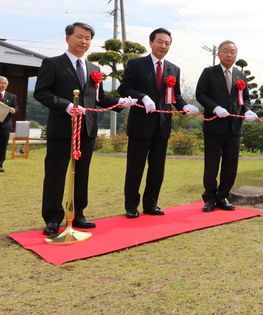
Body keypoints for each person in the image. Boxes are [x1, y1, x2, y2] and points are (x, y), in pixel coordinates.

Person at [34, 22, 137, 236]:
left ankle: (78, 213)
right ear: (68, 38)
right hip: (63, 127)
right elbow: (41, 92)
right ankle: (53, 218)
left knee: (82, 173)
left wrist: (120, 103)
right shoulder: (52, 63)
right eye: (79, 37)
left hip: (87, 128)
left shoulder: (94, 69)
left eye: (88, 38)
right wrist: (67, 106)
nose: (84, 41)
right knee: (56, 173)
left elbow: (97, 98)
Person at [118, 28, 199, 219]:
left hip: (162, 126)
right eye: (160, 42)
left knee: (157, 168)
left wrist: (185, 106)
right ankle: (131, 206)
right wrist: (143, 97)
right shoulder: (137, 64)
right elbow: (124, 87)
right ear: (151, 42)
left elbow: (175, 96)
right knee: (135, 168)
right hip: (140, 125)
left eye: (167, 43)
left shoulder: (174, 69)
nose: (163, 46)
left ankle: (151, 204)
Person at [196, 40, 257, 212]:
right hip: (214, 126)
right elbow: (200, 94)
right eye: (226, 51)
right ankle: (209, 198)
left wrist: (248, 110)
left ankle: (223, 196)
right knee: (211, 165)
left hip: (234, 127)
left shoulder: (240, 75)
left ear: (236, 55)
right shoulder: (209, 72)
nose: (229, 55)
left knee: (231, 165)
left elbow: (245, 99)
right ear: (219, 54)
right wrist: (215, 108)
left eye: (232, 52)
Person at [0, 76, 18, 172]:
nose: (2, 85)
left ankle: (0, 164)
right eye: (0, 83)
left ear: (7, 85)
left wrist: (13, 110)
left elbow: (16, 108)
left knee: (2, 145)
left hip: (5, 125)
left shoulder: (12, 96)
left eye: (4, 83)